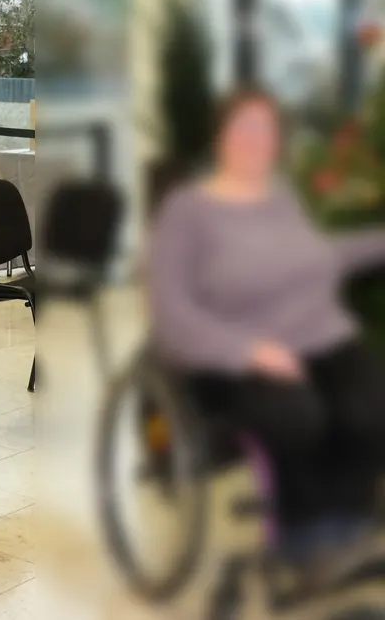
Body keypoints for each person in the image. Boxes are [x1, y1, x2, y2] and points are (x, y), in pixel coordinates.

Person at [150, 87, 385, 564]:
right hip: (234, 353)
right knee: (301, 415)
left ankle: (346, 520)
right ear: (221, 137)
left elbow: (324, 255)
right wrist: (249, 352)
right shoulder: (188, 212)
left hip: (320, 336)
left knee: (371, 403)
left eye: (267, 130)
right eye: (246, 128)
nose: (258, 140)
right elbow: (172, 313)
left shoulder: (280, 199)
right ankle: (303, 532)